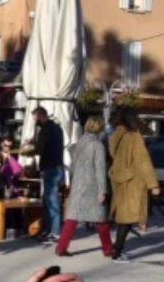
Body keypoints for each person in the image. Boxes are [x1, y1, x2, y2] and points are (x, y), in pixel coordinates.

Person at [55, 116, 114, 258]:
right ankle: (108, 249)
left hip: (78, 184)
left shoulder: (79, 143)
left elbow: (73, 166)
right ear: (99, 128)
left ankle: (61, 248)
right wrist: (102, 190)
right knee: (101, 220)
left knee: (73, 218)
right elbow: (100, 168)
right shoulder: (97, 145)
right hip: (93, 186)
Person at [109, 107, 160, 263]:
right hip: (133, 183)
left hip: (120, 180)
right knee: (127, 220)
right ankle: (117, 254)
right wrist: (153, 184)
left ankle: (117, 251)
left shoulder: (117, 135)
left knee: (125, 219)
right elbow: (143, 161)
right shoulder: (134, 137)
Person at [29, 107, 65, 241]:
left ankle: (54, 232)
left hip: (50, 168)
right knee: (51, 199)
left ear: (40, 116)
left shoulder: (45, 130)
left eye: (35, 118)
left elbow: (39, 149)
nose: (34, 122)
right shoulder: (57, 128)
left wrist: (32, 146)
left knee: (51, 200)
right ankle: (50, 230)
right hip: (58, 166)